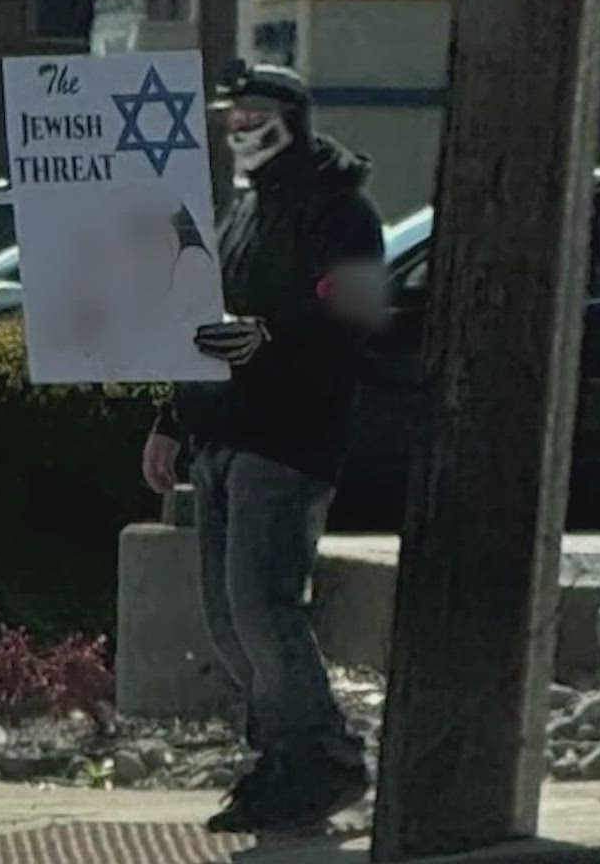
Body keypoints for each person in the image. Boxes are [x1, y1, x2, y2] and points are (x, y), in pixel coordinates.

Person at [141, 62, 387, 834]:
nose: (238, 128)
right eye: (231, 117)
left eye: (252, 114)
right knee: (226, 616)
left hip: (289, 438)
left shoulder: (341, 213)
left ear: (290, 117)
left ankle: (324, 757)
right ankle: (284, 758)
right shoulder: (241, 211)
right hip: (220, 433)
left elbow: (352, 320)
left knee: (263, 606)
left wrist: (271, 343)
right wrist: (171, 418)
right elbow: (199, 312)